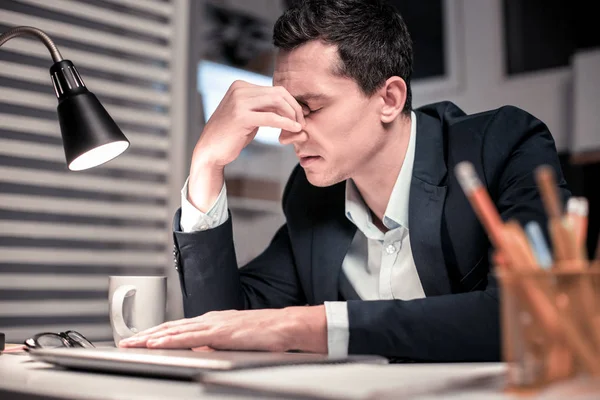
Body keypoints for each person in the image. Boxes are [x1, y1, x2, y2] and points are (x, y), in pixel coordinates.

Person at [119, 0, 570, 361]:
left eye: (309, 108)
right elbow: (219, 326)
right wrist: (206, 164)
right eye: (284, 111)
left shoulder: (502, 146)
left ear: (389, 98)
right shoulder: (310, 197)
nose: (287, 135)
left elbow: (532, 315)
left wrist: (309, 324)